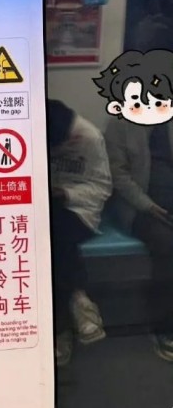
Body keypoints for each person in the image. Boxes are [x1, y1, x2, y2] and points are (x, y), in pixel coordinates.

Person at [101, 48, 173, 361]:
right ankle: (164, 326)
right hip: (141, 205)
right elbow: (118, 175)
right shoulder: (121, 123)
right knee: (167, 247)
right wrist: (148, 206)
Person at [47, 100, 112, 366]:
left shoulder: (90, 137)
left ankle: (60, 330)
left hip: (80, 209)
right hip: (45, 207)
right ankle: (77, 296)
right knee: (48, 234)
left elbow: (102, 187)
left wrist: (66, 193)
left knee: (53, 238)